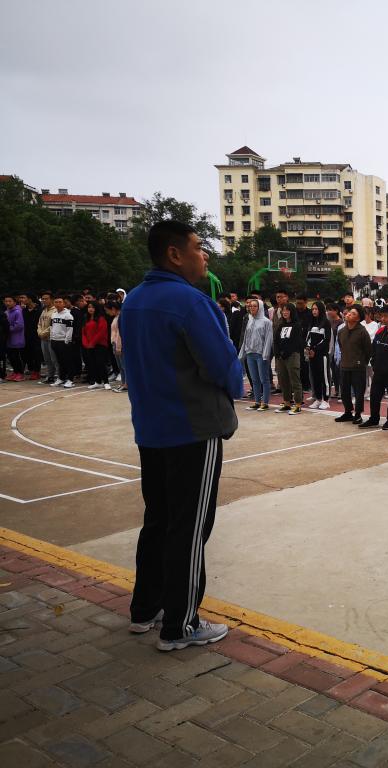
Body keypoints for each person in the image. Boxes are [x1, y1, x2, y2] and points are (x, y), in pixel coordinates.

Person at [122, 220, 242, 651]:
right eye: (197, 247)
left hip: (151, 428)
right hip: (192, 429)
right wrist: (235, 385)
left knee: (158, 519)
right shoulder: (190, 302)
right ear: (174, 254)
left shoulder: (134, 301)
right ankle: (181, 624)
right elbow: (223, 366)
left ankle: (145, 609)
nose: (203, 255)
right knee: (189, 528)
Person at [334, 306, 372, 424]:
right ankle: (348, 412)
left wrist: (361, 362)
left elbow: (368, 350)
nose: (349, 314)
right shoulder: (341, 331)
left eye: (353, 313)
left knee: (358, 392)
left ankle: (358, 414)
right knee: (344, 391)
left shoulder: (362, 332)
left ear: (358, 318)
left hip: (358, 367)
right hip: (344, 365)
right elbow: (341, 347)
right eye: (349, 312)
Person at [239, 298, 273, 411]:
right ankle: (257, 402)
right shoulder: (249, 320)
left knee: (264, 379)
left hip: (260, 354)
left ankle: (265, 403)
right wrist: (242, 353)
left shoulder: (266, 322)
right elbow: (246, 337)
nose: (252, 308)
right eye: (250, 306)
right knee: (254, 379)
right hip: (250, 353)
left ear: (260, 307)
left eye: (255, 306)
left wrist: (265, 354)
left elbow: (268, 339)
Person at [274, 303, 304, 414]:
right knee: (283, 380)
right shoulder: (281, 325)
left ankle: (298, 404)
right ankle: (287, 403)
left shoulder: (297, 325)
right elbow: (276, 340)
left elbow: (296, 342)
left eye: (287, 310)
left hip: (292, 355)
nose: (285, 312)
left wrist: (286, 352)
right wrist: (277, 353)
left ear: (292, 312)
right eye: (283, 310)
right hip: (281, 357)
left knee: (295, 380)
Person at [304, 301, 331, 410]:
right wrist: (308, 348)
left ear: (321, 310)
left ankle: (326, 400)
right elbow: (308, 338)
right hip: (312, 355)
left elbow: (326, 340)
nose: (314, 311)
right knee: (315, 377)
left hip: (322, 355)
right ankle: (318, 399)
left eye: (316, 309)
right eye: (313, 309)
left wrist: (315, 349)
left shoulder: (326, 323)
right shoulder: (311, 322)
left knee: (324, 378)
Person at [81, 300, 110, 390]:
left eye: (93, 307)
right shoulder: (86, 318)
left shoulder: (101, 318)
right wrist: (86, 343)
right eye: (89, 307)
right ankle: (98, 382)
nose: (90, 309)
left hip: (100, 344)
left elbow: (101, 332)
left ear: (96, 308)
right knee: (92, 364)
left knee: (100, 363)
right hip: (89, 345)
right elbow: (83, 332)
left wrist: (92, 343)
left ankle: (106, 382)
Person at [49, 296, 76, 388]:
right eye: (56, 302)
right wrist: (51, 338)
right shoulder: (53, 314)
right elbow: (51, 327)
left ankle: (70, 380)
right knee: (60, 362)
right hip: (54, 341)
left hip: (64, 342)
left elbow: (70, 329)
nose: (58, 304)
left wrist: (67, 341)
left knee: (68, 361)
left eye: (60, 302)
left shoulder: (68, 315)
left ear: (64, 304)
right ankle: (61, 378)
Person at [3, 295, 25, 381]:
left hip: (16, 338)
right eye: (6, 301)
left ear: (15, 302)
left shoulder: (18, 312)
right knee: (10, 357)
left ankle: (20, 374)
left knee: (16, 357)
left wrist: (7, 329)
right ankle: (15, 372)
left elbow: (19, 325)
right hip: (8, 338)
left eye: (10, 301)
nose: (7, 303)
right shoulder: (6, 312)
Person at [36, 291, 57, 384]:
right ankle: (50, 376)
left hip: (51, 338)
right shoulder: (44, 310)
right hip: (43, 338)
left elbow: (53, 325)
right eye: (43, 299)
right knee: (47, 359)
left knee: (54, 359)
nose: (44, 300)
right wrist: (39, 332)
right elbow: (39, 323)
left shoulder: (55, 310)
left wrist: (43, 333)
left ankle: (59, 377)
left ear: (52, 299)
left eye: (46, 299)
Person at [109, 302, 126, 393]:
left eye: (108, 310)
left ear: (113, 308)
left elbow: (120, 333)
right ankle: (123, 383)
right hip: (115, 343)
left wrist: (119, 346)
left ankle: (127, 384)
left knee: (124, 366)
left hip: (120, 344)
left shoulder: (121, 317)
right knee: (120, 366)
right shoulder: (115, 317)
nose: (107, 313)